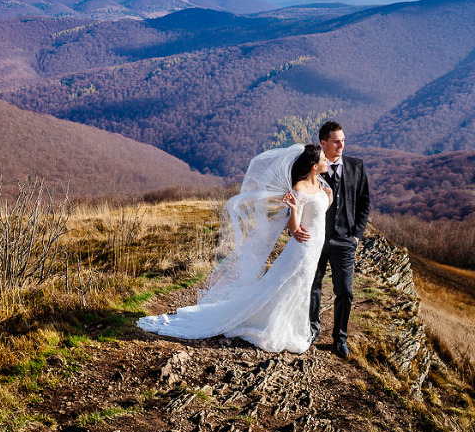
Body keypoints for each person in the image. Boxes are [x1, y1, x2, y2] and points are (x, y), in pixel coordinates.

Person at [137, 144, 332, 354]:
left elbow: (318, 212)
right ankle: (272, 325)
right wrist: (293, 209)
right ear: (314, 166)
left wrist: (328, 197)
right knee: (290, 283)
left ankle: (288, 324)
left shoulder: (321, 187)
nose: (327, 161)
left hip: (316, 246)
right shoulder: (299, 188)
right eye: (323, 159)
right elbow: (294, 228)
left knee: (302, 285)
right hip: (303, 248)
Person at [296, 121, 370, 359]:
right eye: (336, 141)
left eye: (343, 141)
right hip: (316, 239)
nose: (341, 145)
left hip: (345, 240)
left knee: (345, 291)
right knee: (313, 285)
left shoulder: (357, 166)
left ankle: (340, 339)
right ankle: (312, 330)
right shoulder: (313, 168)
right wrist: (296, 227)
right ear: (324, 143)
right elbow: (297, 197)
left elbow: (364, 203)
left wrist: (356, 235)